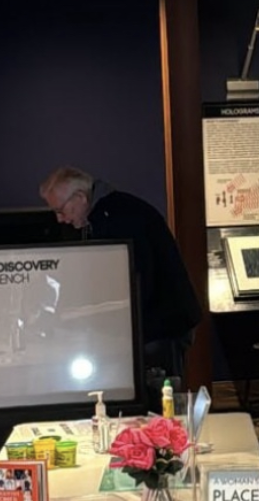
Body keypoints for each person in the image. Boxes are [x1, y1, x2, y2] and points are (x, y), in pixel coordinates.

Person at [39, 164, 203, 391]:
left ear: (80, 197)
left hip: (161, 327)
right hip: (161, 323)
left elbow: (136, 281)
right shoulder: (114, 210)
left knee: (160, 401)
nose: (60, 219)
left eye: (61, 210)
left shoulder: (116, 218)